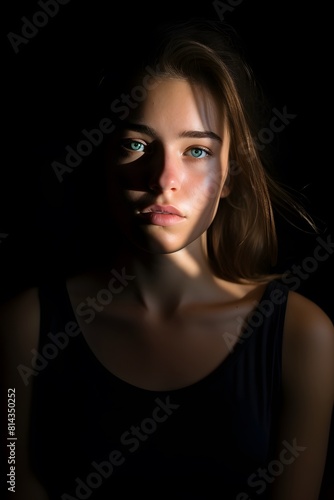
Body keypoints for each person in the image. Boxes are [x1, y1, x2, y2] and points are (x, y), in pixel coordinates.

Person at [1, 17, 333, 500]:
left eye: (196, 150)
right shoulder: (24, 326)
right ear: (101, 161)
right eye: (136, 145)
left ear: (232, 174)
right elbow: (10, 475)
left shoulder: (302, 334)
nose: (163, 179)